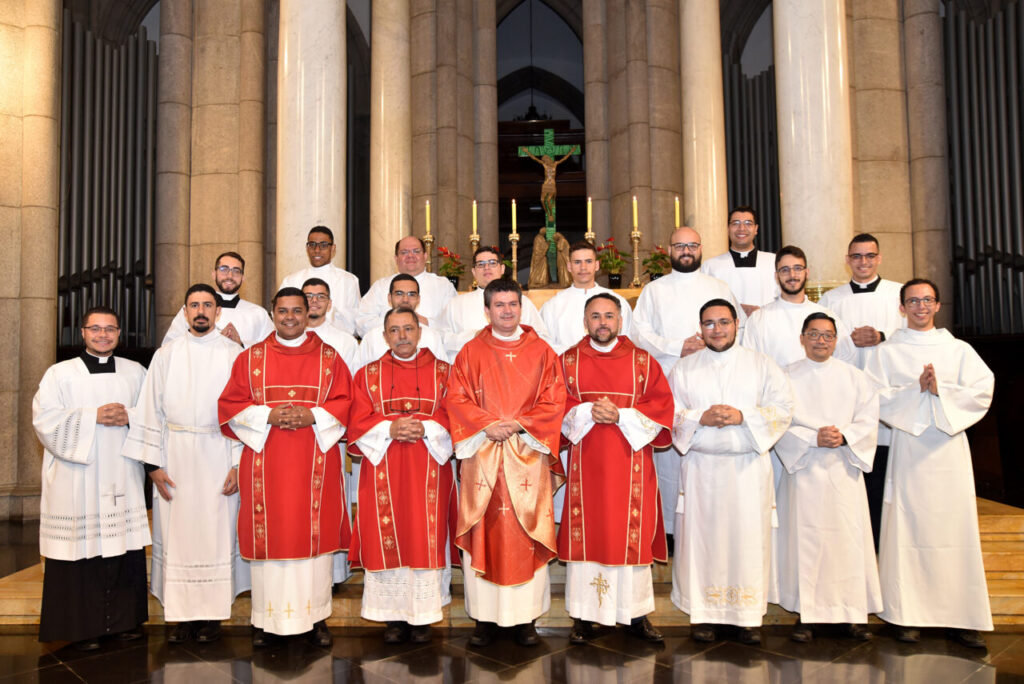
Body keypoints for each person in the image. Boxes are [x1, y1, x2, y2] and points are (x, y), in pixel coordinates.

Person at [218, 287, 354, 648]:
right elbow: (230, 405)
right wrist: (268, 415)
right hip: (266, 461)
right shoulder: (251, 358)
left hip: (315, 461)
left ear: (309, 311)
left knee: (314, 541)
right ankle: (265, 620)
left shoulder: (329, 357)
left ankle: (316, 618)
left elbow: (345, 402)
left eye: (297, 310)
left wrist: (311, 415)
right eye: (283, 311)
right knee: (271, 538)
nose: (290, 317)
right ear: (272, 313)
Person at [863, 278, 994, 649]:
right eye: (913, 301)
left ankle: (961, 617)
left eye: (927, 300)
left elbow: (983, 390)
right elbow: (873, 396)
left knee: (955, 529)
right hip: (910, 449)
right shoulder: (886, 353)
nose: (920, 306)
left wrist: (942, 391)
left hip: (950, 449)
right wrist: (915, 390)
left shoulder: (960, 350)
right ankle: (905, 615)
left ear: (937, 305)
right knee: (908, 526)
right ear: (901, 308)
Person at [123, 284, 250, 644]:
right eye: (194, 304)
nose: (201, 311)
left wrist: (238, 464)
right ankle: (180, 616)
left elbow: (243, 414)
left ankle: (211, 616)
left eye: (208, 305)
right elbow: (150, 409)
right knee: (177, 535)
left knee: (215, 533)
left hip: (218, 451)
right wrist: (153, 465)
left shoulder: (233, 354)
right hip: (175, 454)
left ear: (218, 312)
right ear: (185, 310)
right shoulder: (167, 354)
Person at [445, 279, 567, 648]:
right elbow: (456, 397)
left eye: (513, 304)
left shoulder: (543, 352)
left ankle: (525, 619)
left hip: (527, 455)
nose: (507, 311)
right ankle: (484, 620)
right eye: (499, 305)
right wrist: (486, 425)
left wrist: (517, 424)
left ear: (521, 307)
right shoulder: (470, 351)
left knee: (524, 534)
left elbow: (555, 399)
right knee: (484, 530)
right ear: (487, 310)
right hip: (482, 455)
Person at [667, 299, 792, 645]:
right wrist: (700, 418)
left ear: (737, 324)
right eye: (709, 324)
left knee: (747, 539)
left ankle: (747, 617)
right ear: (700, 328)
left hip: (747, 470)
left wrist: (742, 417)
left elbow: (783, 409)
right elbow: (670, 413)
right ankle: (703, 614)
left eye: (723, 322)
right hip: (702, 471)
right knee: (702, 541)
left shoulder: (762, 365)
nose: (717, 330)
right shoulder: (685, 369)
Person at [558, 293, 673, 645]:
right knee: (588, 532)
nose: (602, 322)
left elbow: (662, 406)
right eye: (595, 316)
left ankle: (636, 614)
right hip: (587, 465)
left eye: (609, 316)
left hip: (631, 464)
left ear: (621, 321)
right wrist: (586, 411)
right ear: (585, 321)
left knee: (630, 533)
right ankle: (583, 615)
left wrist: (621, 415)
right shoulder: (568, 361)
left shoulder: (642, 362)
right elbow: (553, 404)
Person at [32, 306, 149, 650]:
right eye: (95, 329)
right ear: (82, 333)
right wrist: (91, 416)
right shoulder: (60, 374)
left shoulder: (136, 372)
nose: (102, 335)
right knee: (79, 552)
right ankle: (82, 627)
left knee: (121, 549)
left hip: (120, 472)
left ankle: (124, 623)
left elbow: (154, 415)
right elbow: (44, 421)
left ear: (119, 333)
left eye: (109, 329)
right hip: (76, 476)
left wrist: (130, 415)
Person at [347, 307, 457, 645]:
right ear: (384, 336)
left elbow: (456, 414)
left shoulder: (444, 373)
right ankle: (391, 616)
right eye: (394, 331)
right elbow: (356, 422)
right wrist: (390, 428)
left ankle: (423, 614)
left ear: (419, 332)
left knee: (425, 533)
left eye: (408, 329)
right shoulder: (367, 374)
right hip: (384, 465)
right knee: (388, 534)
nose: (402, 336)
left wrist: (426, 427)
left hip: (429, 466)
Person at [770, 312, 882, 643]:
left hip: (843, 471)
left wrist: (845, 436)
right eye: (814, 334)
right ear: (802, 338)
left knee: (846, 541)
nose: (821, 341)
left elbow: (868, 419)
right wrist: (810, 438)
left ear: (836, 340)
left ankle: (851, 614)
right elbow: (777, 420)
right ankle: (807, 614)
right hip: (804, 471)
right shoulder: (785, 377)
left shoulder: (855, 377)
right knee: (805, 543)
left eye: (828, 335)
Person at [631, 226, 745, 540]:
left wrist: (713, 346)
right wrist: (675, 346)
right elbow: (638, 333)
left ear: (701, 248)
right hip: (669, 383)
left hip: (713, 384)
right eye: (679, 245)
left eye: (691, 245)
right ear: (669, 249)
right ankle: (670, 532)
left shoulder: (718, 286)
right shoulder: (655, 289)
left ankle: (712, 528)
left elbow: (739, 330)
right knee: (670, 462)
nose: (685, 251)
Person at [818, 233, 905, 551]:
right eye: (857, 256)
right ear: (847, 260)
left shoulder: (899, 294)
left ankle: (888, 546)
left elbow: (911, 338)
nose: (863, 262)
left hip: (891, 400)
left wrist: (882, 335)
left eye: (869, 256)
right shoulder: (830, 300)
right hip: (849, 399)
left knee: (887, 478)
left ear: (879, 258)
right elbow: (822, 345)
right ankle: (854, 546)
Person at [742, 245, 857, 369]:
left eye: (797, 268)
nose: (792, 275)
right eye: (785, 270)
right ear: (776, 276)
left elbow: (847, 359)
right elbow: (750, 364)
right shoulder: (759, 318)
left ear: (806, 273)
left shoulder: (826, 315)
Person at [438, 246, 548, 357]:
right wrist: (474, 336)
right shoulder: (456, 304)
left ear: (502, 269)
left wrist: (514, 337)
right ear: (474, 272)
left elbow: (542, 339)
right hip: (473, 368)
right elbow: (442, 339)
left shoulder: (522, 302)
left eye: (492, 263)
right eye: (480, 264)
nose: (486, 267)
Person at [162, 252, 273, 348]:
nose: (230, 275)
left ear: (243, 278)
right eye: (224, 269)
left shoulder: (259, 313)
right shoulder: (194, 309)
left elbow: (273, 348)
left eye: (236, 271)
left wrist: (241, 344)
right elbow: (169, 346)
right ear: (214, 274)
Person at [540, 241, 633, 355]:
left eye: (588, 261)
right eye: (577, 262)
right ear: (569, 266)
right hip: (568, 367)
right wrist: (575, 353)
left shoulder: (617, 301)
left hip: (608, 366)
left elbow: (627, 340)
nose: (583, 267)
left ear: (597, 265)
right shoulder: (552, 306)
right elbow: (545, 345)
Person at [355, 236, 457, 337]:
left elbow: (453, 324)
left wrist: (425, 322)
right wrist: (395, 323)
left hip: (430, 348)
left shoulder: (443, 286)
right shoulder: (380, 286)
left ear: (425, 256)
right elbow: (362, 321)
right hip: (387, 349)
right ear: (396, 258)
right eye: (404, 252)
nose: (410, 256)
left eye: (416, 251)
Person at [279, 226, 362, 335]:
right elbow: (281, 316)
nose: (317, 250)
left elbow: (356, 321)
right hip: (300, 341)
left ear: (332, 248)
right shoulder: (291, 281)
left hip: (337, 342)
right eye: (312, 245)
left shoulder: (348, 281)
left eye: (323, 245)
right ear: (307, 248)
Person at [357, 274, 448, 369]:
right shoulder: (372, 338)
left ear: (418, 299)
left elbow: (443, 375)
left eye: (411, 294)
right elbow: (360, 377)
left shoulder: (432, 337)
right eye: (399, 294)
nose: (405, 300)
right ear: (389, 298)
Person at [701, 206, 779, 315]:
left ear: (756, 229)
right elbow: (705, 304)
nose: (742, 228)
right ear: (728, 228)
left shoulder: (774, 262)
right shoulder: (711, 266)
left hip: (767, 327)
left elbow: (784, 300)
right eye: (735, 223)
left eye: (748, 223)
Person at [301, 278, 359, 370]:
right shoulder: (288, 339)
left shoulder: (346, 342)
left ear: (329, 304)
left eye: (321, 296)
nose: (314, 300)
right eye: (308, 296)